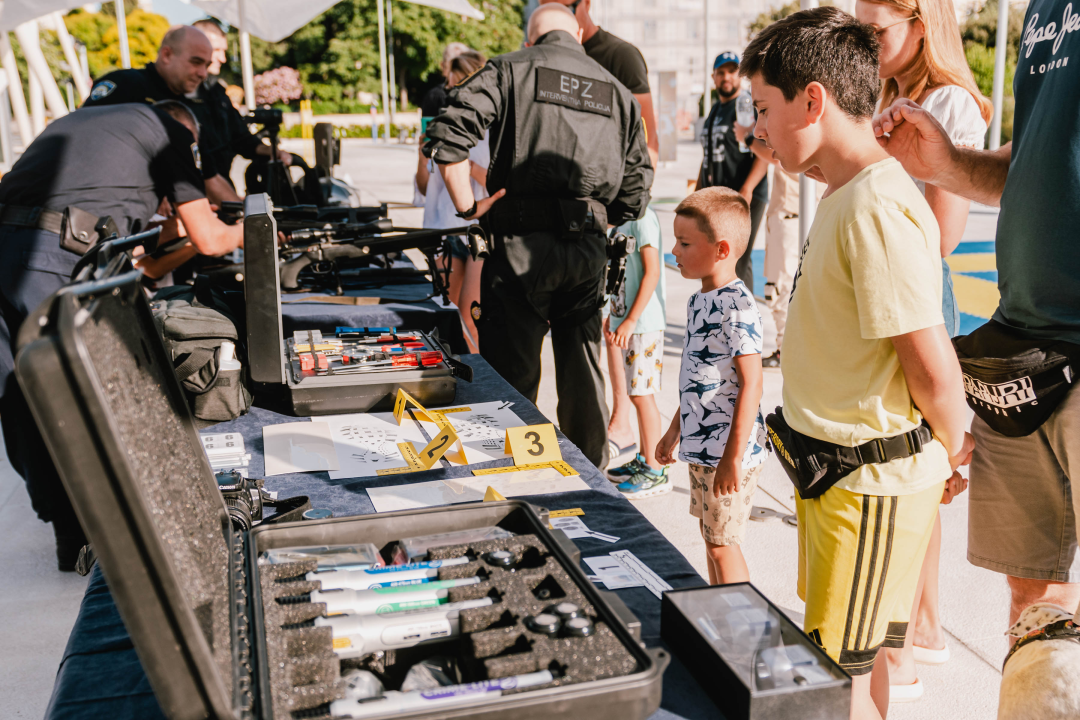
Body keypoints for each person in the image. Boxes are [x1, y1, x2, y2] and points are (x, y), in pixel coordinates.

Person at [741, 8, 972, 717]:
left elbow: (931, 365)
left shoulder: (876, 202)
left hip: (868, 485)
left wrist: (956, 447)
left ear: (812, 100)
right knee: (854, 664)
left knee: (833, 681)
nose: (755, 130)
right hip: (837, 482)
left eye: (762, 108)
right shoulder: (846, 194)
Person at [873, 0, 1080, 650]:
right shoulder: (1045, 9)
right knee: (1032, 605)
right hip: (1022, 350)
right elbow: (1036, 164)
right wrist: (951, 167)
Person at [0, 101, 243, 571]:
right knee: (78, 392)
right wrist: (245, 230)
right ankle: (97, 535)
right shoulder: (172, 132)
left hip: (11, 249)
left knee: (17, 395)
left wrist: (177, 230)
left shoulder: (96, 128)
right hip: (48, 260)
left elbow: (139, 261)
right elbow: (211, 240)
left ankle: (66, 532)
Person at [424, 4, 653, 469]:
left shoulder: (510, 68)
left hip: (520, 247)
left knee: (512, 380)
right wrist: (593, 218)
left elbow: (448, 135)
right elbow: (636, 194)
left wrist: (468, 206)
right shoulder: (616, 90)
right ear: (580, 36)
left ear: (531, 40)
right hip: (588, 249)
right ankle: (588, 479)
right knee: (585, 378)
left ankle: (513, 477)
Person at [854, 0, 991, 702]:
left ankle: (907, 643)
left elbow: (940, 236)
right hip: (886, 295)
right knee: (913, 477)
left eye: (873, 31)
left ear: (919, 21)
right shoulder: (890, 97)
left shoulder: (951, 105)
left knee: (912, 477)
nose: (865, 43)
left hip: (913, 297)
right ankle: (923, 632)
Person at [654, 187, 767, 583]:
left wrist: (732, 457)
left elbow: (752, 383)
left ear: (721, 249)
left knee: (723, 543)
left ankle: (742, 625)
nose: (675, 251)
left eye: (685, 243)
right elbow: (698, 379)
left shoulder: (736, 306)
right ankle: (718, 609)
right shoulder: (699, 300)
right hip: (702, 445)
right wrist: (674, 431)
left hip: (728, 452)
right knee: (711, 538)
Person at [82, 25, 241, 204]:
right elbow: (82, 142)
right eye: (196, 62)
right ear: (166, 55)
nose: (203, 74)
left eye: (207, 65)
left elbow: (210, 176)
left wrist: (248, 218)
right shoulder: (125, 85)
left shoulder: (190, 106)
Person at [415, 49, 490, 353]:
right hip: (443, 229)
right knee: (443, 314)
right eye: (449, 85)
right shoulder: (441, 127)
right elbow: (422, 189)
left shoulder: (491, 128)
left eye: (456, 84)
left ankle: (483, 382)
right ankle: (452, 376)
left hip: (477, 231)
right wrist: (422, 157)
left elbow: (498, 184)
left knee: (472, 316)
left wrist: (463, 163)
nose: (450, 91)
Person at [538, 0, 659, 166]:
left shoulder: (622, 56)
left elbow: (647, 135)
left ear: (587, 4)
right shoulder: (539, 59)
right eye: (548, 10)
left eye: (567, 8)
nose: (557, 18)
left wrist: (642, 188)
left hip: (611, 183)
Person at [603, 207, 668, 496]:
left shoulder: (642, 219)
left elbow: (652, 272)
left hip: (643, 324)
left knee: (642, 395)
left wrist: (629, 320)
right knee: (635, 392)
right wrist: (614, 316)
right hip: (627, 321)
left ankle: (656, 470)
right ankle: (644, 459)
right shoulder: (620, 221)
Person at [190, 19, 293, 189]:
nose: (223, 58)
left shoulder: (217, 93)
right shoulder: (176, 96)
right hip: (194, 192)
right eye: (216, 50)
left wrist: (273, 152)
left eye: (224, 51)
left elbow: (242, 139)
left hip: (222, 188)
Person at [698, 52, 769, 293]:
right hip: (720, 197)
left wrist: (747, 189)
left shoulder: (747, 106)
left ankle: (744, 322)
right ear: (713, 77)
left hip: (746, 194)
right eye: (721, 72)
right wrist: (698, 196)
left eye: (732, 71)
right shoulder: (715, 110)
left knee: (739, 258)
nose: (727, 77)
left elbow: (764, 153)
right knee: (719, 259)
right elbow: (707, 156)